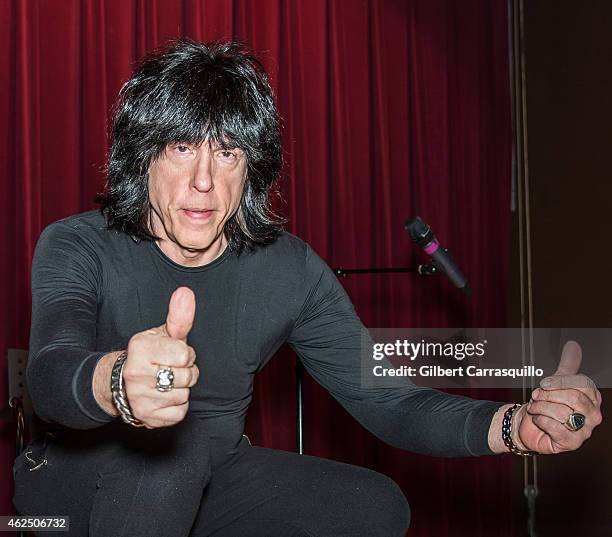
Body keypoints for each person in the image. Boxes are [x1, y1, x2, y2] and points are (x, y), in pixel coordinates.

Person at [13, 39, 602, 537]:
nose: (202, 179)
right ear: (143, 158)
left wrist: (513, 426)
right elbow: (51, 372)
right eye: (181, 147)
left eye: (227, 152)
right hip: (71, 486)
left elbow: (385, 398)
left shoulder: (288, 269)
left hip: (213, 478)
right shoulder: (76, 243)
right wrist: (117, 380)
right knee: (169, 458)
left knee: (373, 506)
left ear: (252, 170)